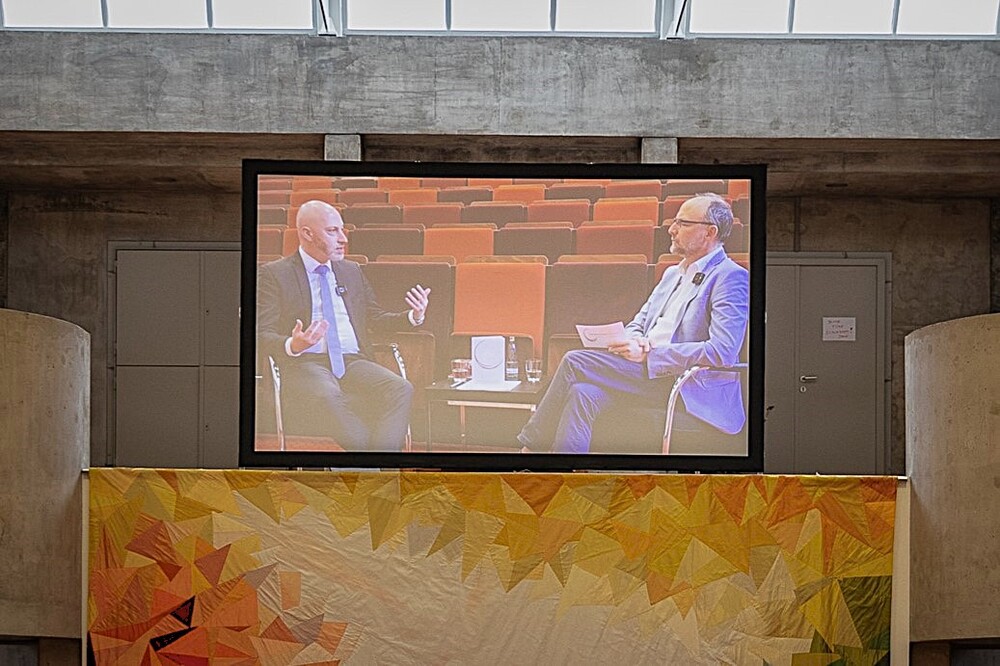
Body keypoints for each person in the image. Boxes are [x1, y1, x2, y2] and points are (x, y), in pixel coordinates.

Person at [517, 193, 749, 454]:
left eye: (682, 223)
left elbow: (724, 351)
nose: (672, 230)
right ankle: (565, 479)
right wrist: (631, 340)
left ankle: (530, 450)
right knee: (582, 392)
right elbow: (639, 322)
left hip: (685, 386)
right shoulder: (673, 273)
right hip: (646, 373)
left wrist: (651, 354)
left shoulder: (730, 277)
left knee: (574, 360)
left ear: (709, 232)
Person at [257, 200, 431, 451]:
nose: (343, 238)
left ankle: (374, 468)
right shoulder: (275, 274)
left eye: (342, 230)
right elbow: (261, 333)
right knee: (327, 394)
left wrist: (412, 317)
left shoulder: (351, 271)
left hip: (353, 361)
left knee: (400, 388)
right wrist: (292, 344)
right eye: (332, 231)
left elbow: (374, 317)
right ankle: (376, 470)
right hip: (306, 362)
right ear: (307, 233)